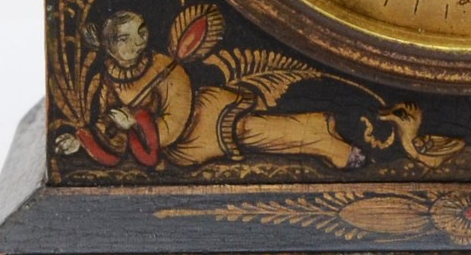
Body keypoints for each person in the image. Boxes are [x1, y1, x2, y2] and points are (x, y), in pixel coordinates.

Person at [52, 10, 362, 169]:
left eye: (140, 34)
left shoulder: (164, 67)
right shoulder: (108, 76)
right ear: (108, 45)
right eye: (123, 39)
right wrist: (81, 141)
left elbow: (175, 119)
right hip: (178, 148)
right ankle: (320, 132)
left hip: (198, 121)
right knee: (251, 134)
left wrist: (136, 122)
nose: (135, 44)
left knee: (246, 129)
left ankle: (327, 142)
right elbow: (109, 124)